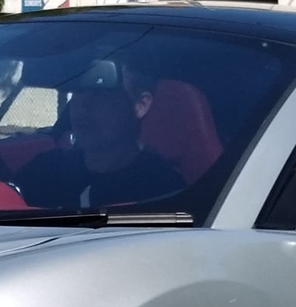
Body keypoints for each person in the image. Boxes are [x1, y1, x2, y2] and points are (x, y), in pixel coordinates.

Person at [12, 60, 184, 211]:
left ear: (140, 105)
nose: (84, 105)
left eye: (101, 94)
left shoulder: (164, 191)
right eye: (79, 91)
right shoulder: (43, 172)